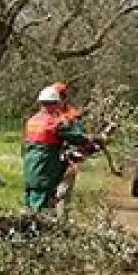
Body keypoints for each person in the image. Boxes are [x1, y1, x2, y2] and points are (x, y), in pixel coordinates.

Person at [23, 86, 98, 215]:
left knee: (31, 199)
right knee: (42, 204)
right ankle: (41, 224)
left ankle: (28, 222)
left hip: (30, 166)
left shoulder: (32, 121)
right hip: (45, 166)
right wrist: (90, 143)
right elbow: (75, 137)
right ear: (54, 104)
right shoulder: (53, 123)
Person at [50, 81, 84, 222]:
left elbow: (79, 138)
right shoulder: (48, 113)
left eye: (58, 96)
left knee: (63, 194)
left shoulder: (71, 115)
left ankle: (61, 224)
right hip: (49, 161)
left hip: (67, 161)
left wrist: (75, 153)